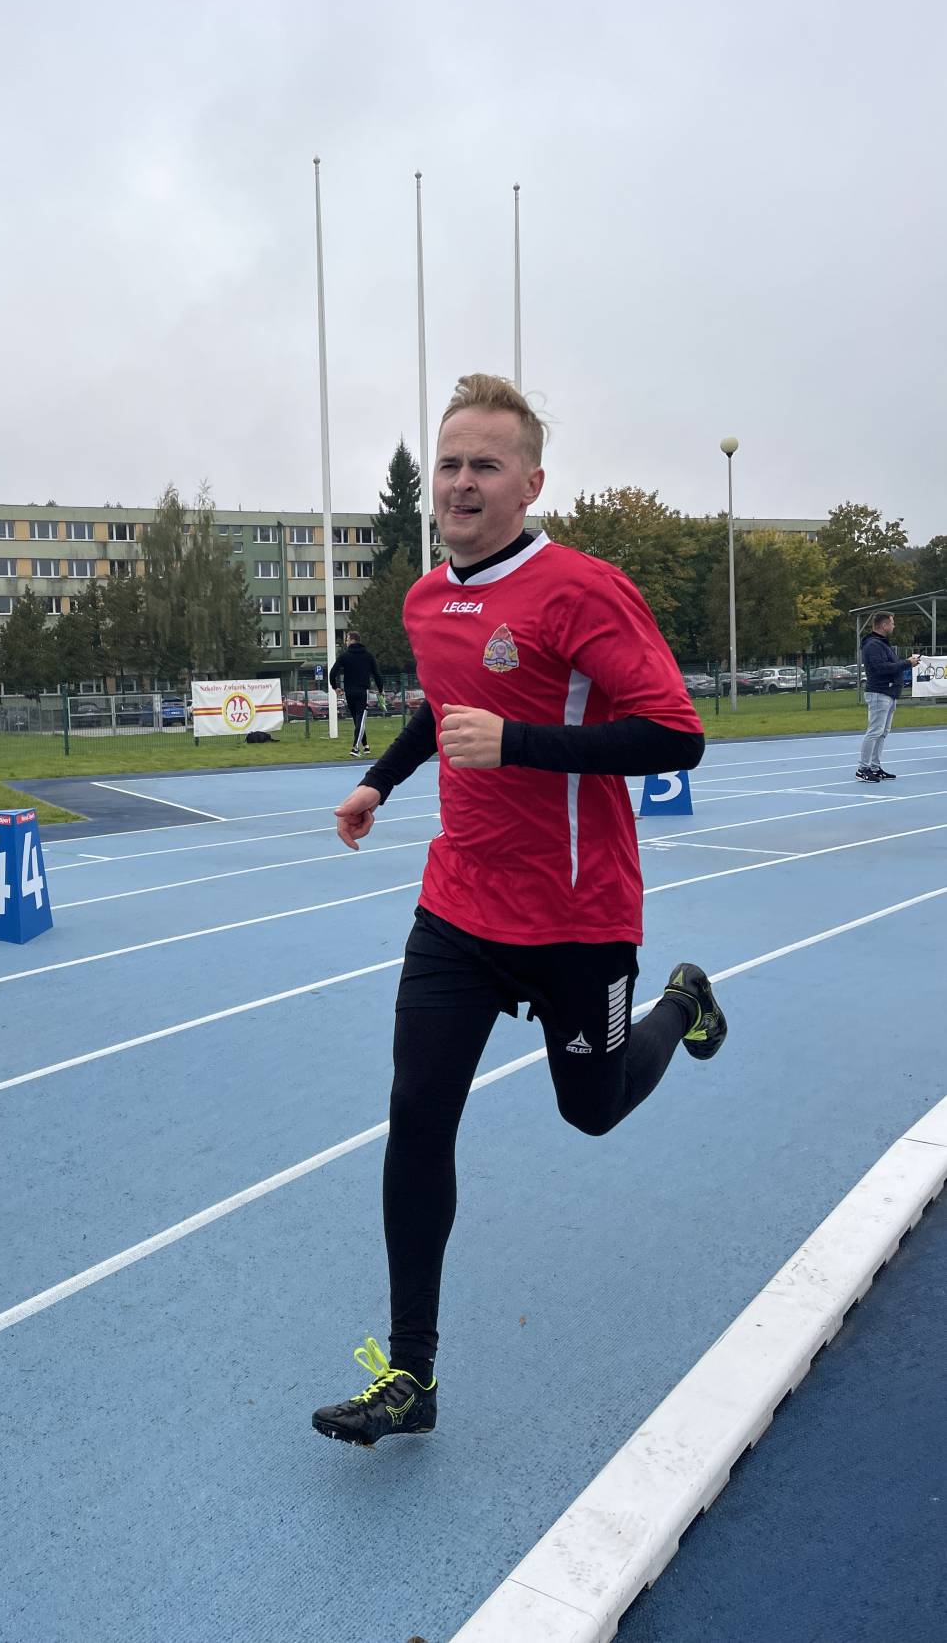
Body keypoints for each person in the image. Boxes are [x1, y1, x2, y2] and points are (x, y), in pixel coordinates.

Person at [311, 374, 727, 1447]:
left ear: (530, 483)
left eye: (484, 465)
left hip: (579, 916)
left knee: (591, 1108)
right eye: (449, 463)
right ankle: (412, 1373)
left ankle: (682, 999)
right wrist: (379, 782)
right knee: (417, 1115)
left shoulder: (582, 591)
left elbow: (675, 735)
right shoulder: (424, 599)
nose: (460, 482)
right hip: (458, 908)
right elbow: (447, 708)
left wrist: (521, 744)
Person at [857, 613, 919, 782]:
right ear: (884, 625)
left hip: (889, 693)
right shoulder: (873, 645)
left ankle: (875, 767)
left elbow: (890, 665)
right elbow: (881, 668)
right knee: (874, 731)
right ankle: (863, 768)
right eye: (892, 623)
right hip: (880, 692)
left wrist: (906, 663)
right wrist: (907, 663)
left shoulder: (882, 644)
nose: (894, 626)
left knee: (882, 732)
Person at [329, 630, 383, 758]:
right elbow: (377, 674)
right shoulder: (368, 656)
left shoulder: (344, 656)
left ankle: (366, 745)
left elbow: (332, 673)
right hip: (362, 692)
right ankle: (355, 748)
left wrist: (335, 687)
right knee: (360, 719)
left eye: (347, 639)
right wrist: (380, 689)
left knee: (357, 719)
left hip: (349, 692)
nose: (346, 642)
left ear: (352, 640)